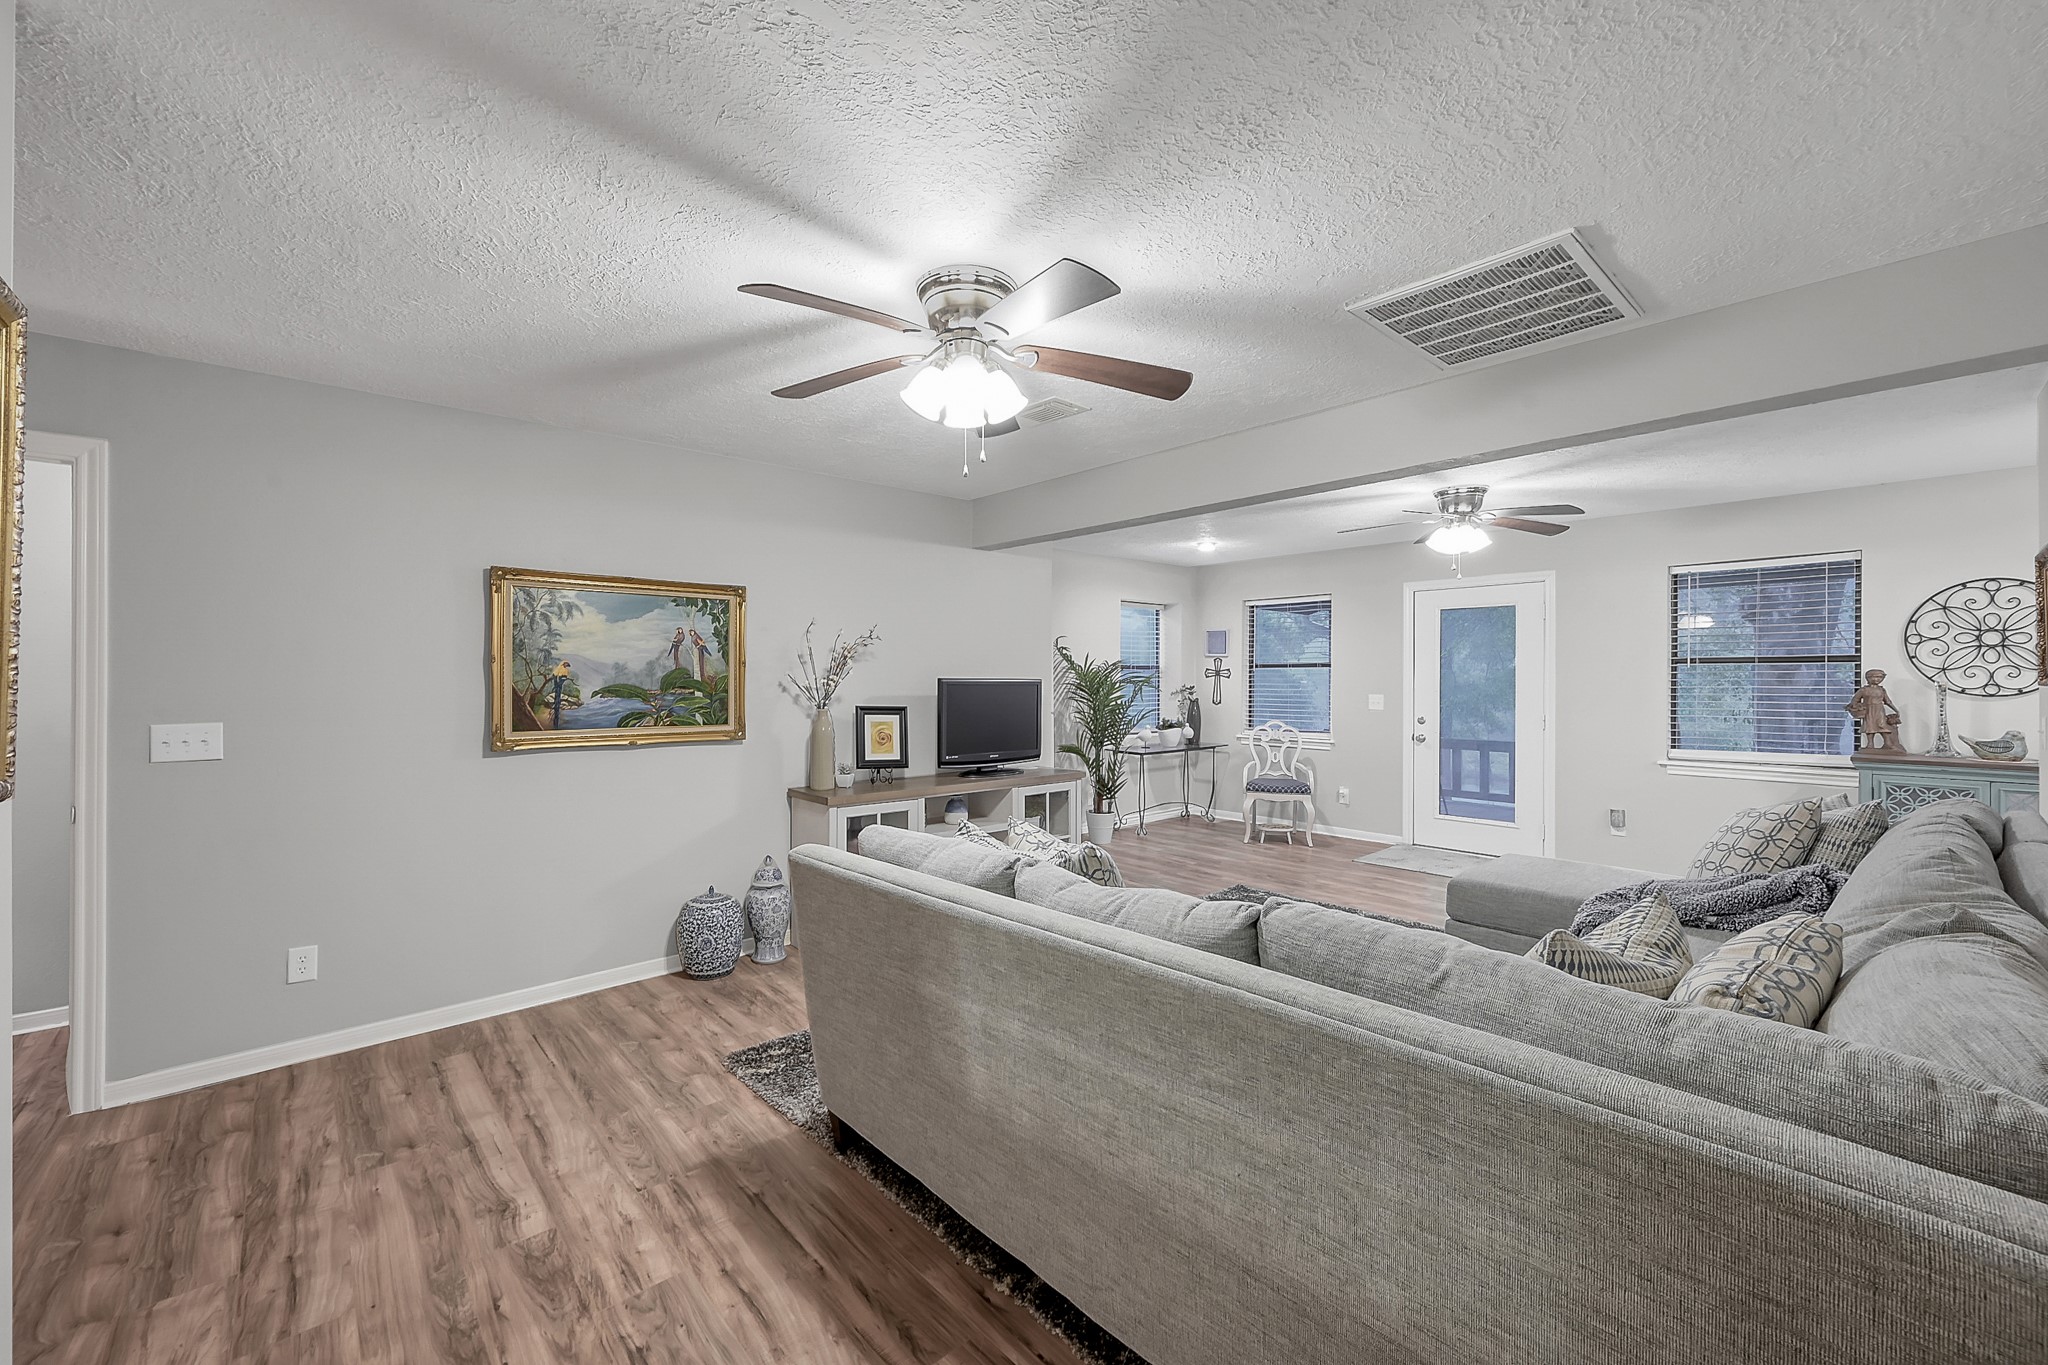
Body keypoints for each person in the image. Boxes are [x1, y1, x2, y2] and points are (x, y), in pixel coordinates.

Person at [1845, 668, 1902, 751]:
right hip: (1869, 710)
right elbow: (1855, 700)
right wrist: (1856, 707)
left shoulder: (1881, 690)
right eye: (1874, 677)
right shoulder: (1864, 690)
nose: (1877, 679)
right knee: (1870, 727)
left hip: (1879, 710)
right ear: (1868, 678)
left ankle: (1887, 743)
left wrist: (1896, 710)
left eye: (1880, 677)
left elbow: (1888, 701)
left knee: (1883, 726)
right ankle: (1870, 744)